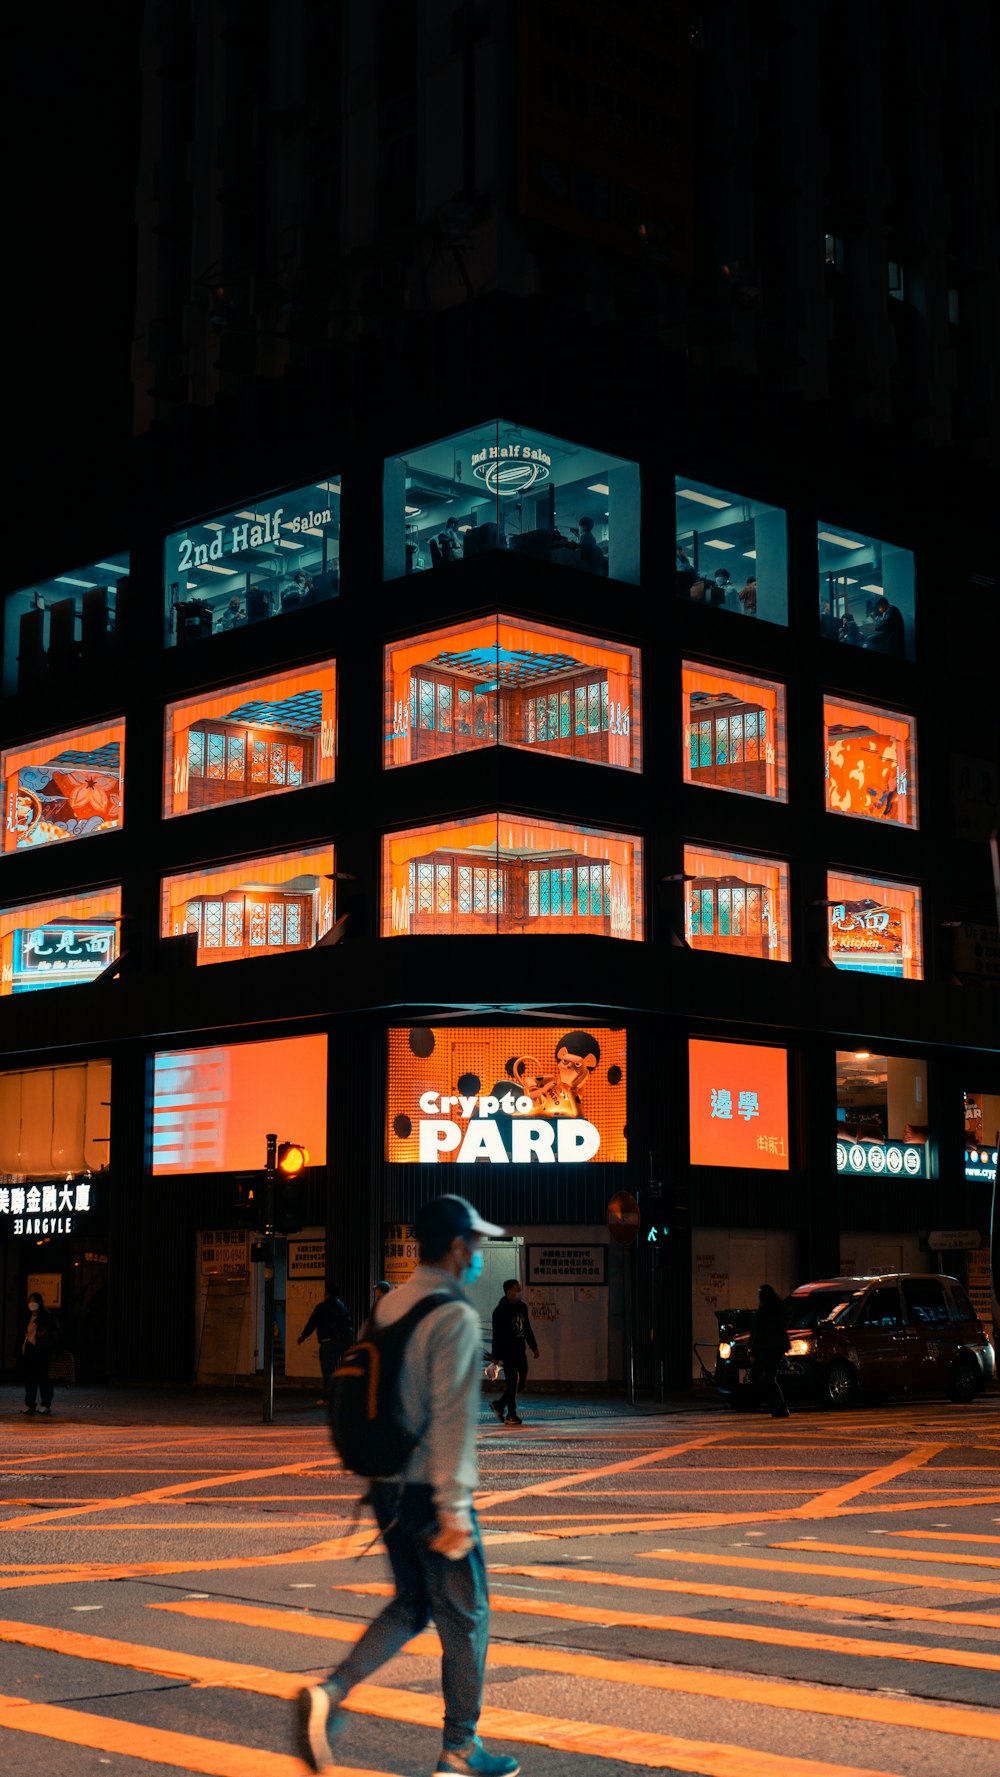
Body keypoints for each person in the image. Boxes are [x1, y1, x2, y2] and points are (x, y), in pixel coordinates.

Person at [299, 1194, 519, 1777]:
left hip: (386, 1486)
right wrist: (453, 1511)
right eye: (474, 1244)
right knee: (468, 1617)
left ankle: (331, 1693)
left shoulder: (391, 1302)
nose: (478, 1255)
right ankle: (461, 1748)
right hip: (428, 1490)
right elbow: (451, 1420)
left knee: (412, 1604)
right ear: (455, 1246)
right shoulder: (455, 1316)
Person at [490, 1279, 539, 1426]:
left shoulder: (522, 1307)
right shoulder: (500, 1311)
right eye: (517, 1289)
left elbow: (527, 1328)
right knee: (512, 1382)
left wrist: (533, 1346)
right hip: (507, 1351)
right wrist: (495, 1356)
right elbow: (497, 1335)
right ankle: (511, 1414)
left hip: (520, 1350)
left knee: (521, 1382)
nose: (519, 1292)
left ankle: (499, 1404)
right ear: (509, 1291)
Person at [297, 1285, 354, 1406]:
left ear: (327, 1293)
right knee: (335, 1369)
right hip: (339, 1342)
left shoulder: (322, 1307)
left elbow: (312, 1323)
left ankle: (328, 1397)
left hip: (327, 1342)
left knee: (327, 1371)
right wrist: (348, 1343)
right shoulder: (342, 1307)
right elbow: (348, 1326)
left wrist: (303, 1336)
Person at [749, 1283, 790, 1418]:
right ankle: (778, 1404)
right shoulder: (779, 1310)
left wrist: (753, 1351)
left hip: (765, 1350)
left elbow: (758, 1334)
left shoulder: (763, 1313)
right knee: (771, 1378)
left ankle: (775, 1403)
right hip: (775, 1350)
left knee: (758, 1376)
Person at [21, 1290, 60, 1416]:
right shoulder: (27, 1316)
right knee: (30, 1379)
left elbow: (56, 1332)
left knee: (44, 1379)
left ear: (40, 1302)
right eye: (30, 1301)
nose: (32, 1304)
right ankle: (30, 1404)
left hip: (43, 1351)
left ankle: (45, 1404)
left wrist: (46, 1336)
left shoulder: (47, 1316)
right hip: (30, 1350)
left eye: (34, 1301)